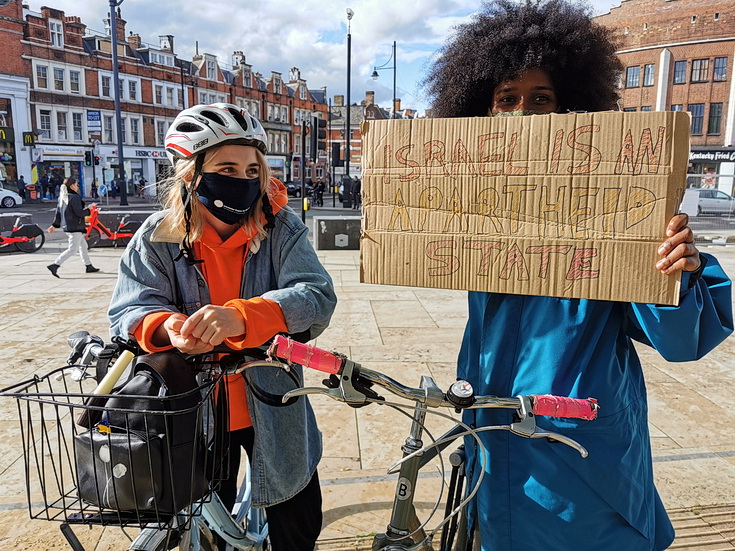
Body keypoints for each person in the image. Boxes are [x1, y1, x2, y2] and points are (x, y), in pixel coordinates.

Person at [423, 1, 734, 550]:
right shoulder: (477, 212)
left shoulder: (619, 211)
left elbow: (681, 343)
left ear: (575, 109)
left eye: (542, 99)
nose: (524, 115)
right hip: (494, 447)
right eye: (507, 100)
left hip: (584, 461)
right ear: (481, 113)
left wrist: (676, 271)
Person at [108, 103, 337, 551]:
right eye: (226, 167)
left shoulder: (282, 229)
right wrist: (166, 326)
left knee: (297, 516)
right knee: (207, 514)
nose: (243, 178)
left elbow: (316, 296)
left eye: (253, 168)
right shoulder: (157, 236)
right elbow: (130, 308)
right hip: (194, 406)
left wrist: (246, 315)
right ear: (191, 174)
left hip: (274, 399)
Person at [46, 177, 100, 277]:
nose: (77, 186)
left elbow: (58, 212)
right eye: (76, 184)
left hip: (69, 226)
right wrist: (89, 210)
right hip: (75, 227)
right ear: (72, 186)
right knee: (73, 249)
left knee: (83, 246)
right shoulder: (74, 197)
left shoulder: (63, 196)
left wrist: (54, 225)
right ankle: (55, 264)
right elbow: (79, 213)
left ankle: (88, 265)